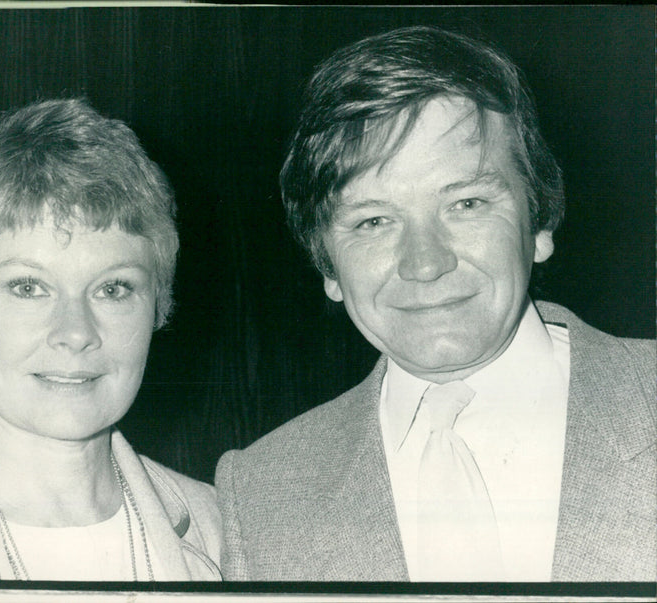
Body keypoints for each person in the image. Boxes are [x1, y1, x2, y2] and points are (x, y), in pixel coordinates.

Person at [216, 26, 655, 581]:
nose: (424, 263)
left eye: (466, 203)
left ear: (539, 221)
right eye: (373, 221)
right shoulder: (260, 495)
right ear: (327, 264)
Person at [0, 98, 221, 580]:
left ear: (160, 301)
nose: (75, 333)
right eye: (28, 287)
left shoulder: (223, 533)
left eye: (113, 288)